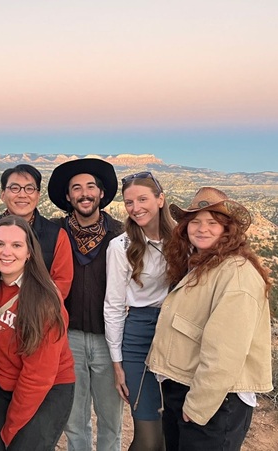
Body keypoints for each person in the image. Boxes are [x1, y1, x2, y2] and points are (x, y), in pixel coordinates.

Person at [147, 187, 273, 451]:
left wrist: (198, 407)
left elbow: (225, 353)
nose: (202, 228)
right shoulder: (204, 265)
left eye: (212, 223)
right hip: (188, 389)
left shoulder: (237, 274)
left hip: (215, 401)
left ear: (228, 230)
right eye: (195, 221)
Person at [0, 215, 75, 451]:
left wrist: (11, 428)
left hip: (46, 388)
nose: (6, 252)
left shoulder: (44, 300)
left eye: (16, 245)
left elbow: (38, 376)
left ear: (29, 252)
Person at [47, 158, 124, 451]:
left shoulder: (121, 234)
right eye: (76, 188)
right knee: (75, 421)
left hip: (109, 341)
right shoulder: (54, 233)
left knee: (111, 420)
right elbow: (17, 230)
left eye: (91, 186)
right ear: (68, 197)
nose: (84, 193)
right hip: (69, 339)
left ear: (101, 193)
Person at [105, 172, 176, 451]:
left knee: (171, 433)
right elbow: (113, 305)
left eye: (143, 199)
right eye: (129, 202)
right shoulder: (121, 247)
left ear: (160, 200)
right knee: (149, 438)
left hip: (177, 335)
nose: (136, 208)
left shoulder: (183, 240)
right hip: (139, 335)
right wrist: (117, 363)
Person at [0, 163, 73, 298]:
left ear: (38, 195)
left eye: (29, 189)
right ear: (3, 194)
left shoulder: (56, 236)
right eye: (14, 188)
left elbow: (61, 286)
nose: (22, 194)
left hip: (36, 314)